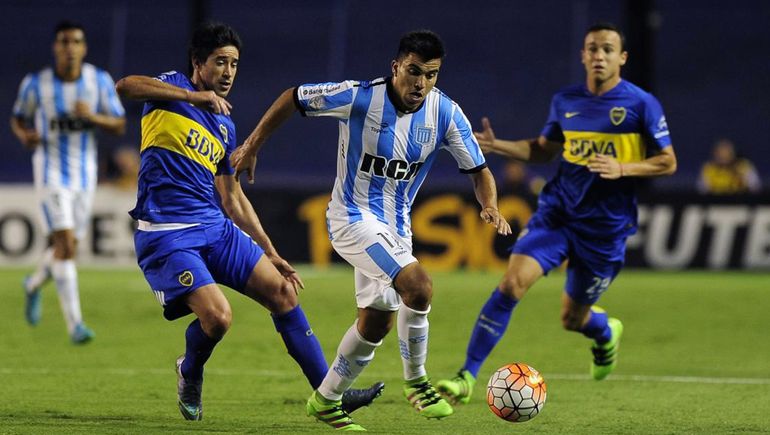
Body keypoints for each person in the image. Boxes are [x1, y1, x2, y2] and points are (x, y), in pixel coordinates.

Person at [230, 29, 512, 431]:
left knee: (377, 320)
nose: (421, 83)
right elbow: (293, 96)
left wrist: (490, 206)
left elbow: (480, 171)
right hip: (351, 219)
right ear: (396, 66)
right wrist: (253, 144)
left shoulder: (446, 113)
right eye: (414, 71)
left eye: (431, 75)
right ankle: (417, 383)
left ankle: (326, 401)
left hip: (396, 229)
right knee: (419, 285)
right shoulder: (360, 97)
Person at [114, 22, 382, 422]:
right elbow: (124, 87)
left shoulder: (225, 125)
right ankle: (189, 371)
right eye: (219, 62)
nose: (227, 72)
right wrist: (192, 96)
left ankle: (329, 396)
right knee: (218, 318)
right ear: (197, 63)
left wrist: (271, 252)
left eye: (234, 64)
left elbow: (232, 197)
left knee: (284, 293)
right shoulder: (168, 91)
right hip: (168, 234)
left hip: (214, 228)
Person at [436, 22, 678, 404]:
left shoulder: (641, 104)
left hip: (605, 229)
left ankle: (604, 332)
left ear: (622, 58)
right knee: (511, 284)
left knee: (572, 319)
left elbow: (667, 162)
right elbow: (544, 149)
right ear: (583, 55)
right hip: (558, 214)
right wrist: (498, 146)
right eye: (592, 48)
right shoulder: (566, 101)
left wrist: (624, 168)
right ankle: (466, 377)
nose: (599, 55)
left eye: (607, 49)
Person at [11, 20, 126, 344]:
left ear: (84, 48)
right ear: (55, 47)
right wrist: (26, 136)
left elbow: (118, 124)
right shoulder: (36, 84)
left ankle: (33, 284)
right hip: (49, 172)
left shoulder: (98, 81)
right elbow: (18, 118)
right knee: (64, 245)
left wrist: (93, 117)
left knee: (68, 247)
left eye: (76, 42)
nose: (70, 48)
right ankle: (76, 325)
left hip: (85, 174)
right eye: (64, 42)